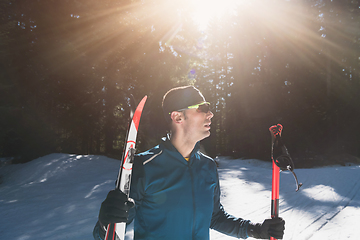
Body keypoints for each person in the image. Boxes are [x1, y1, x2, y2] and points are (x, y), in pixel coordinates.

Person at [93, 86, 285, 240]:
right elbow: (110, 232)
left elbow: (214, 217)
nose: (210, 114)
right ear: (177, 117)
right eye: (203, 108)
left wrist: (256, 230)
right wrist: (105, 222)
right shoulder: (145, 167)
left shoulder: (208, 167)